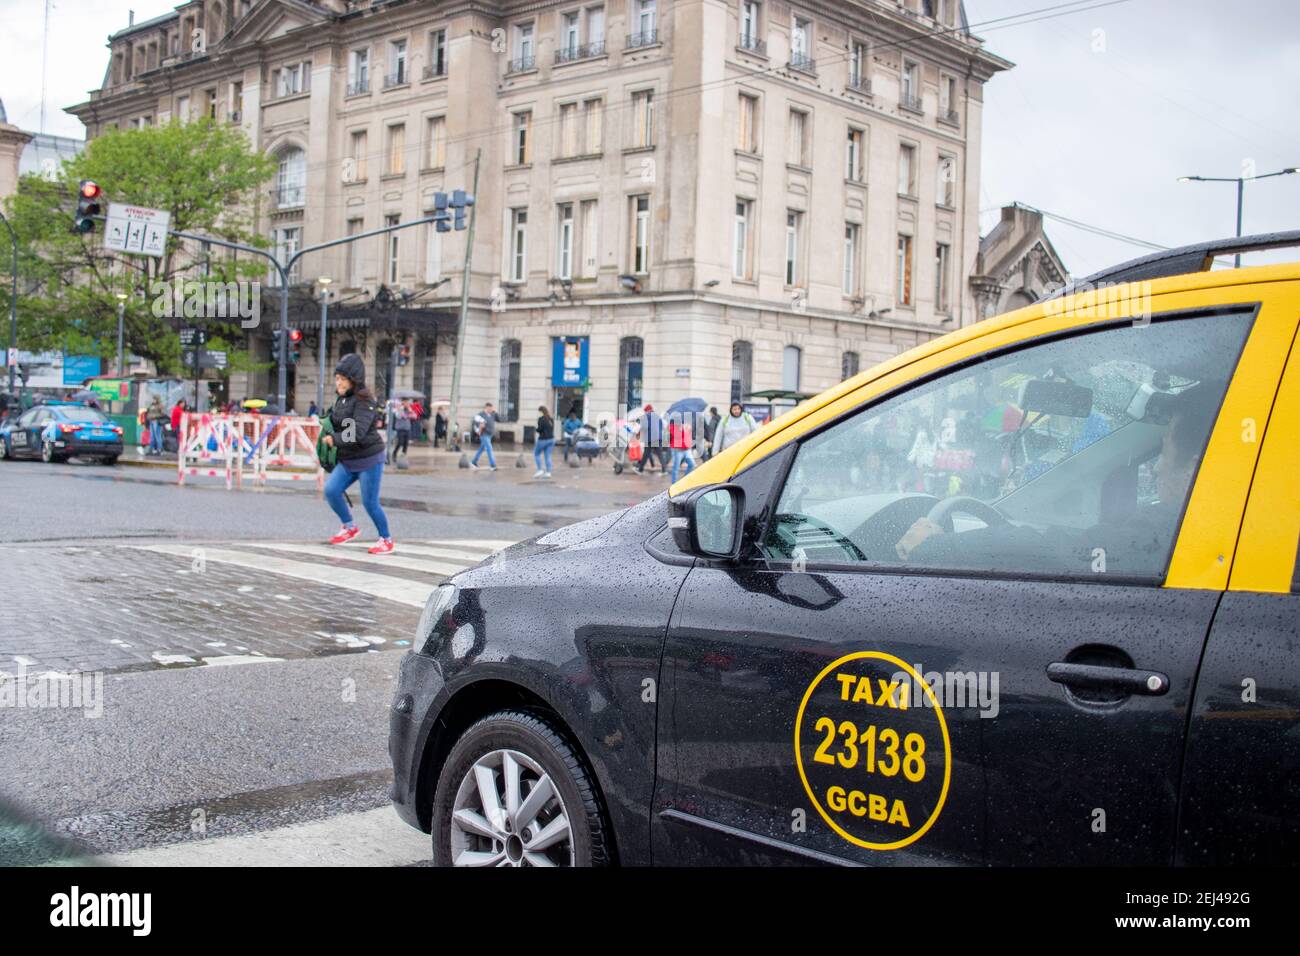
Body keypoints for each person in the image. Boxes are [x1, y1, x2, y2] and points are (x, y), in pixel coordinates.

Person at [321, 354, 394, 554]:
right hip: (349, 458)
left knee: (370, 502)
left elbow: (357, 432)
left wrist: (334, 439)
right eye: (337, 379)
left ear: (354, 379)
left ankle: (386, 539)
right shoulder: (342, 400)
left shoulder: (365, 400)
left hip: (369, 458)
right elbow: (338, 423)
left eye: (343, 379)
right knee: (331, 490)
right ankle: (349, 527)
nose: (339, 383)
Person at [470, 401, 498, 470]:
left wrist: (496, 412)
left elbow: (499, 419)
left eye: (492, 409)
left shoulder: (492, 414)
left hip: (490, 435)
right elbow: (474, 423)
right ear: (487, 408)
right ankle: (492, 465)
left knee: (481, 449)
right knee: (489, 448)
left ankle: (473, 462)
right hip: (484, 434)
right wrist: (478, 430)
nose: (492, 410)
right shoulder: (480, 415)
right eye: (490, 408)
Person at [668, 416, 695, 482]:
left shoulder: (686, 426)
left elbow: (689, 436)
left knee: (692, 464)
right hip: (678, 449)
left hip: (686, 449)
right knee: (676, 467)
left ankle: (683, 481)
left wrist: (688, 429)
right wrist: (682, 429)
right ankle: (673, 483)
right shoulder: (672, 427)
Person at [534, 405, 555, 478]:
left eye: (538, 412)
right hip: (551, 439)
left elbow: (540, 429)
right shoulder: (550, 419)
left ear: (541, 412)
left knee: (536, 454)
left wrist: (536, 429)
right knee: (548, 456)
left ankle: (539, 470)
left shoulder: (541, 419)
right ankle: (548, 472)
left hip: (543, 439)